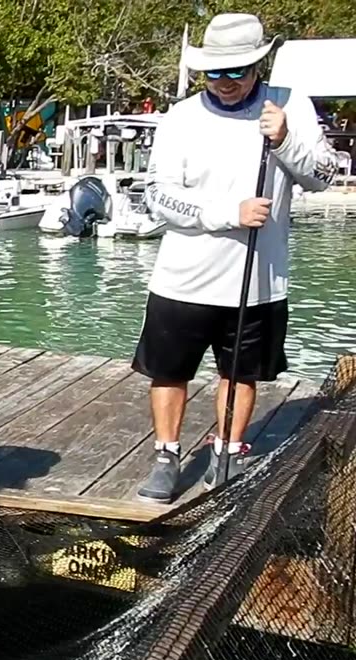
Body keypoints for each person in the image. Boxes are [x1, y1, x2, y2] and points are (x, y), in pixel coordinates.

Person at [134, 13, 338, 503]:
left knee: (240, 372)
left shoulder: (293, 106)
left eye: (238, 72)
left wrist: (286, 141)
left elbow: (324, 175)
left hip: (259, 283)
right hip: (182, 280)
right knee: (169, 371)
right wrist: (227, 213)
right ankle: (166, 453)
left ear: (258, 65)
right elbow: (157, 196)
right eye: (215, 73)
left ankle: (228, 447)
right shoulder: (181, 118)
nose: (226, 83)